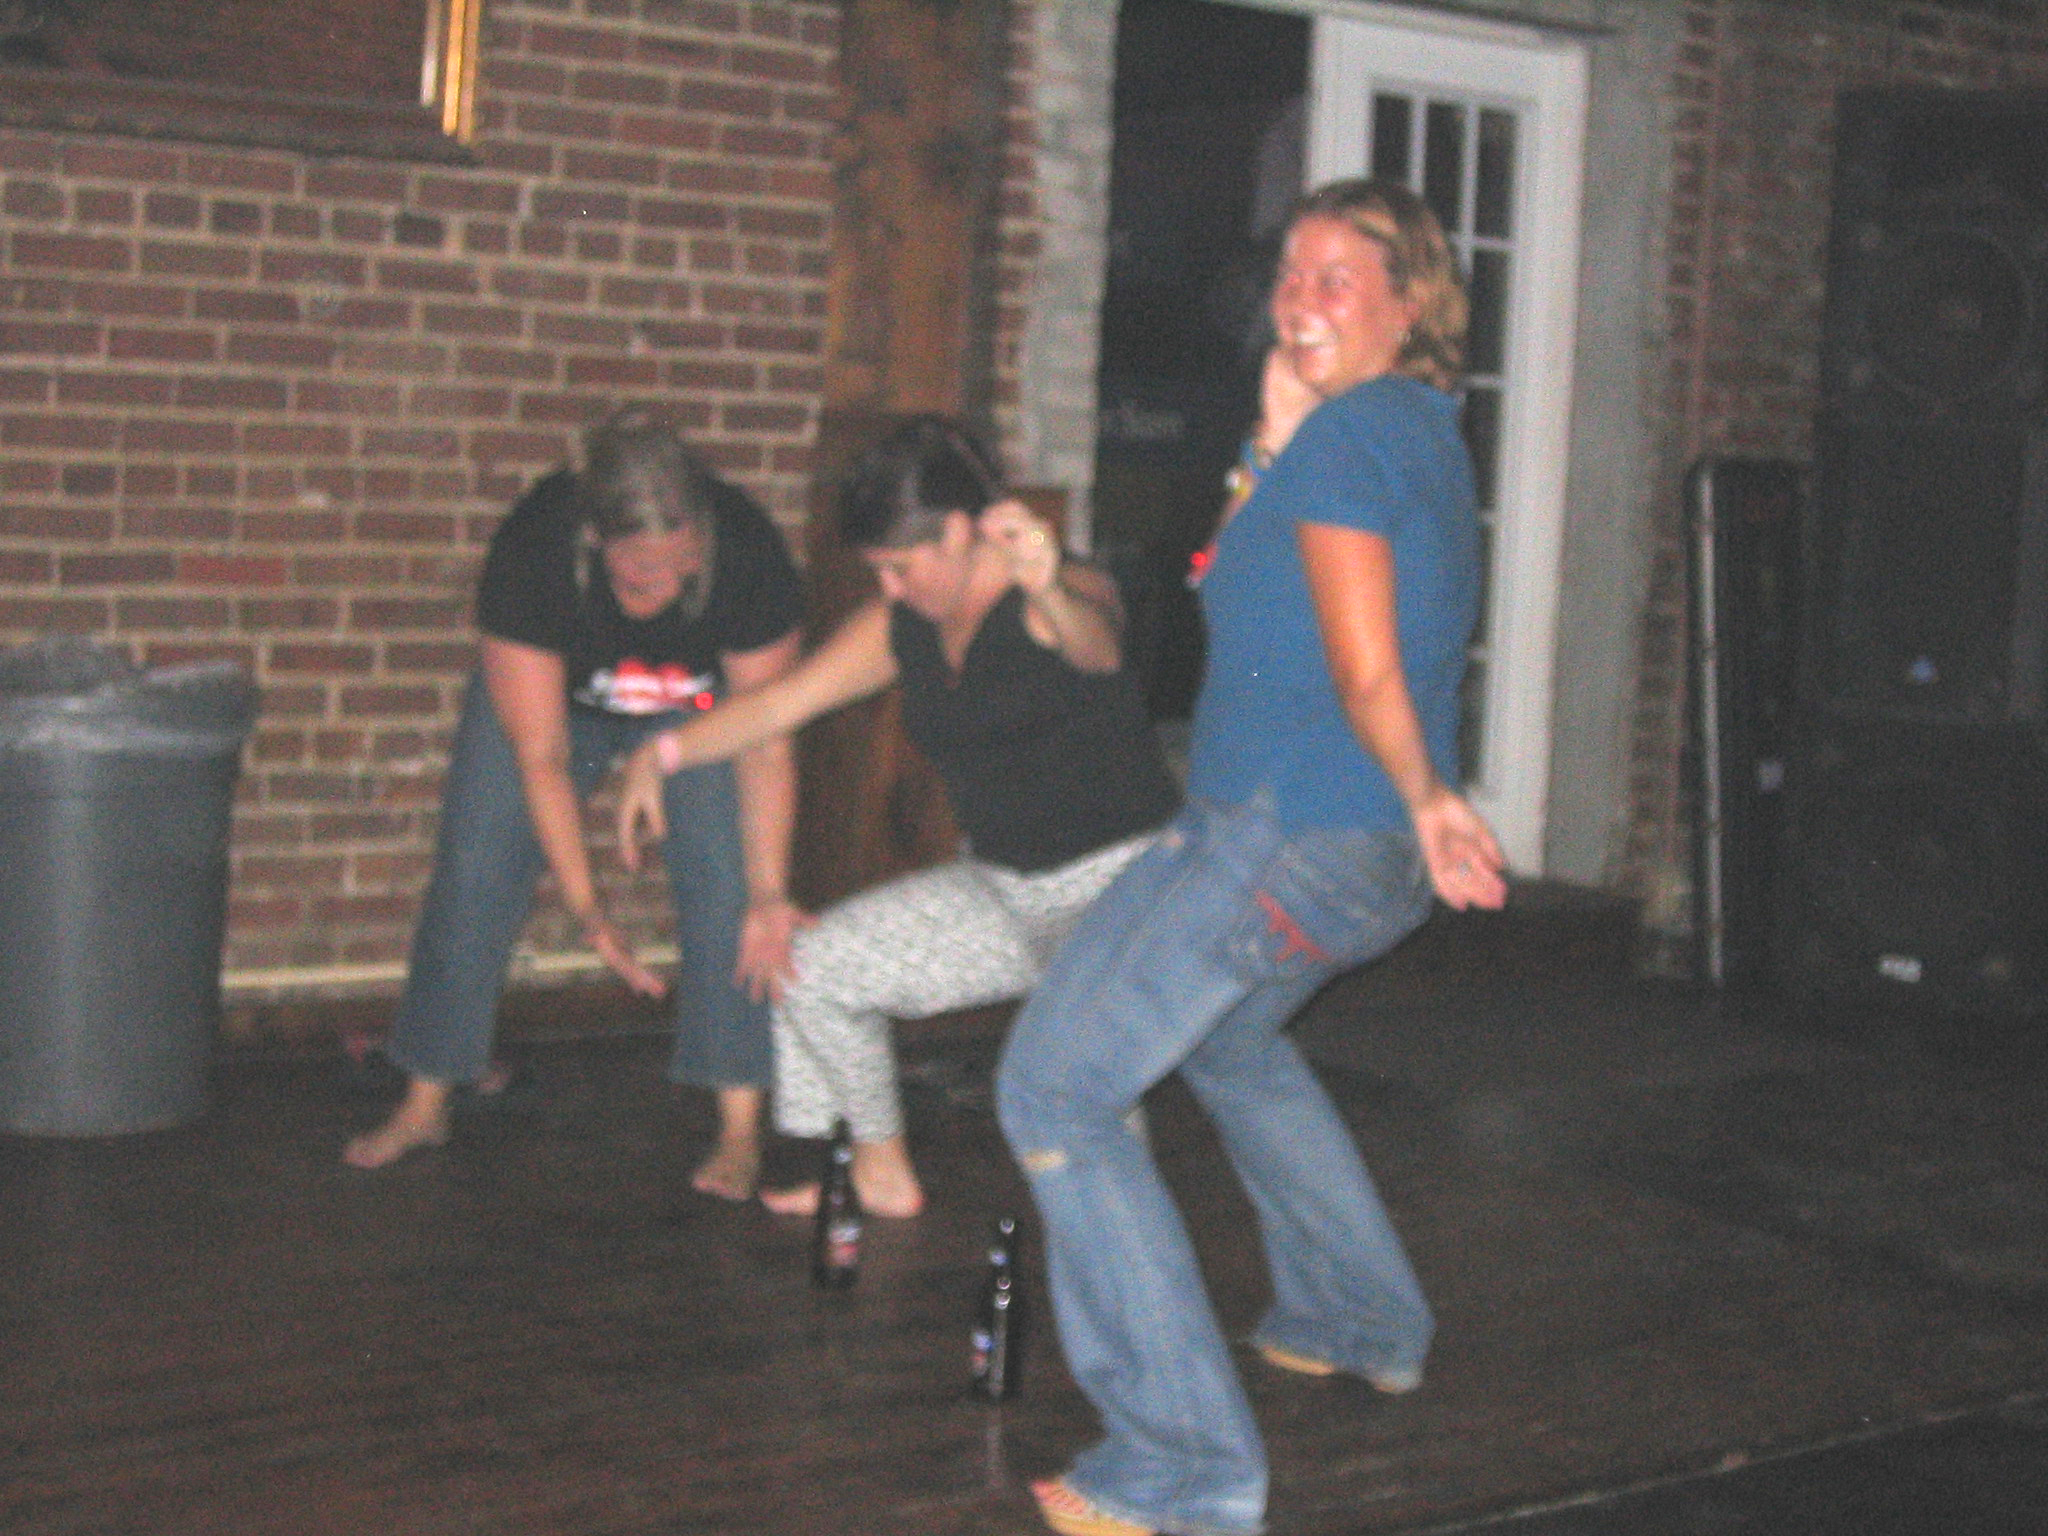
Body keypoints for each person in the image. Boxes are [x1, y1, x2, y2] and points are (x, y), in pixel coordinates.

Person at [996, 178, 1510, 1536]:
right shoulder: (1400, 434)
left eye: (1339, 277)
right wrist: (1268, 443)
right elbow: (1230, 584)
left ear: (1412, 303)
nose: (1298, 299)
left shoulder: (1355, 439)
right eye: (1289, 272)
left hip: (1282, 833)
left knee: (1055, 1088)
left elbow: (1364, 666)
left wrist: (1432, 796)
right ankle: (1356, 1318)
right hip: (1347, 848)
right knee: (1229, 1046)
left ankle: (1183, 1471)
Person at [614, 417, 1181, 1219]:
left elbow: (1099, 650)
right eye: (877, 568)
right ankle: (880, 1172)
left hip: (1119, 896)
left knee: (1080, 1108)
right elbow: (779, 704)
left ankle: (1130, 1259)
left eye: (899, 567)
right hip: (1007, 890)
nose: (887, 587)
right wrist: (662, 752)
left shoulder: (1059, 591)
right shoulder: (903, 624)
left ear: (955, 531)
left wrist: (1049, 584)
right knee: (813, 966)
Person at [342, 410, 806, 1200]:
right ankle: (424, 1101)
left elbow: (766, 743)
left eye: (683, 569)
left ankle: (738, 1127)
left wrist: (769, 893)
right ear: (595, 541)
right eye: (642, 575)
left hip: (697, 711)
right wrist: (590, 912)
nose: (667, 592)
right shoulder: (536, 549)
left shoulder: (749, 551)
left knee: (730, 881)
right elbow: (541, 758)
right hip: (563, 708)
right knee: (478, 861)